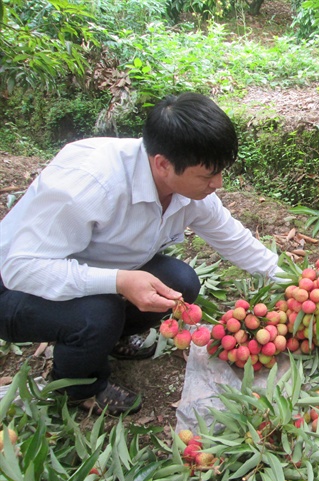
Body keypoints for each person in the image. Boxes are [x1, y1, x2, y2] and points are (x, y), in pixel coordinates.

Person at [0, 92, 282, 415]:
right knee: (100, 313)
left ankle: (109, 338)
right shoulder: (92, 185)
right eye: (207, 175)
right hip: (13, 287)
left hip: (86, 266)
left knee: (182, 283)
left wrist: (293, 280)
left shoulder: (189, 191)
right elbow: (20, 267)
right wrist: (120, 281)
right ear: (163, 163)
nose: (217, 183)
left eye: (219, 172)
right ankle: (79, 387)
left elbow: (233, 237)